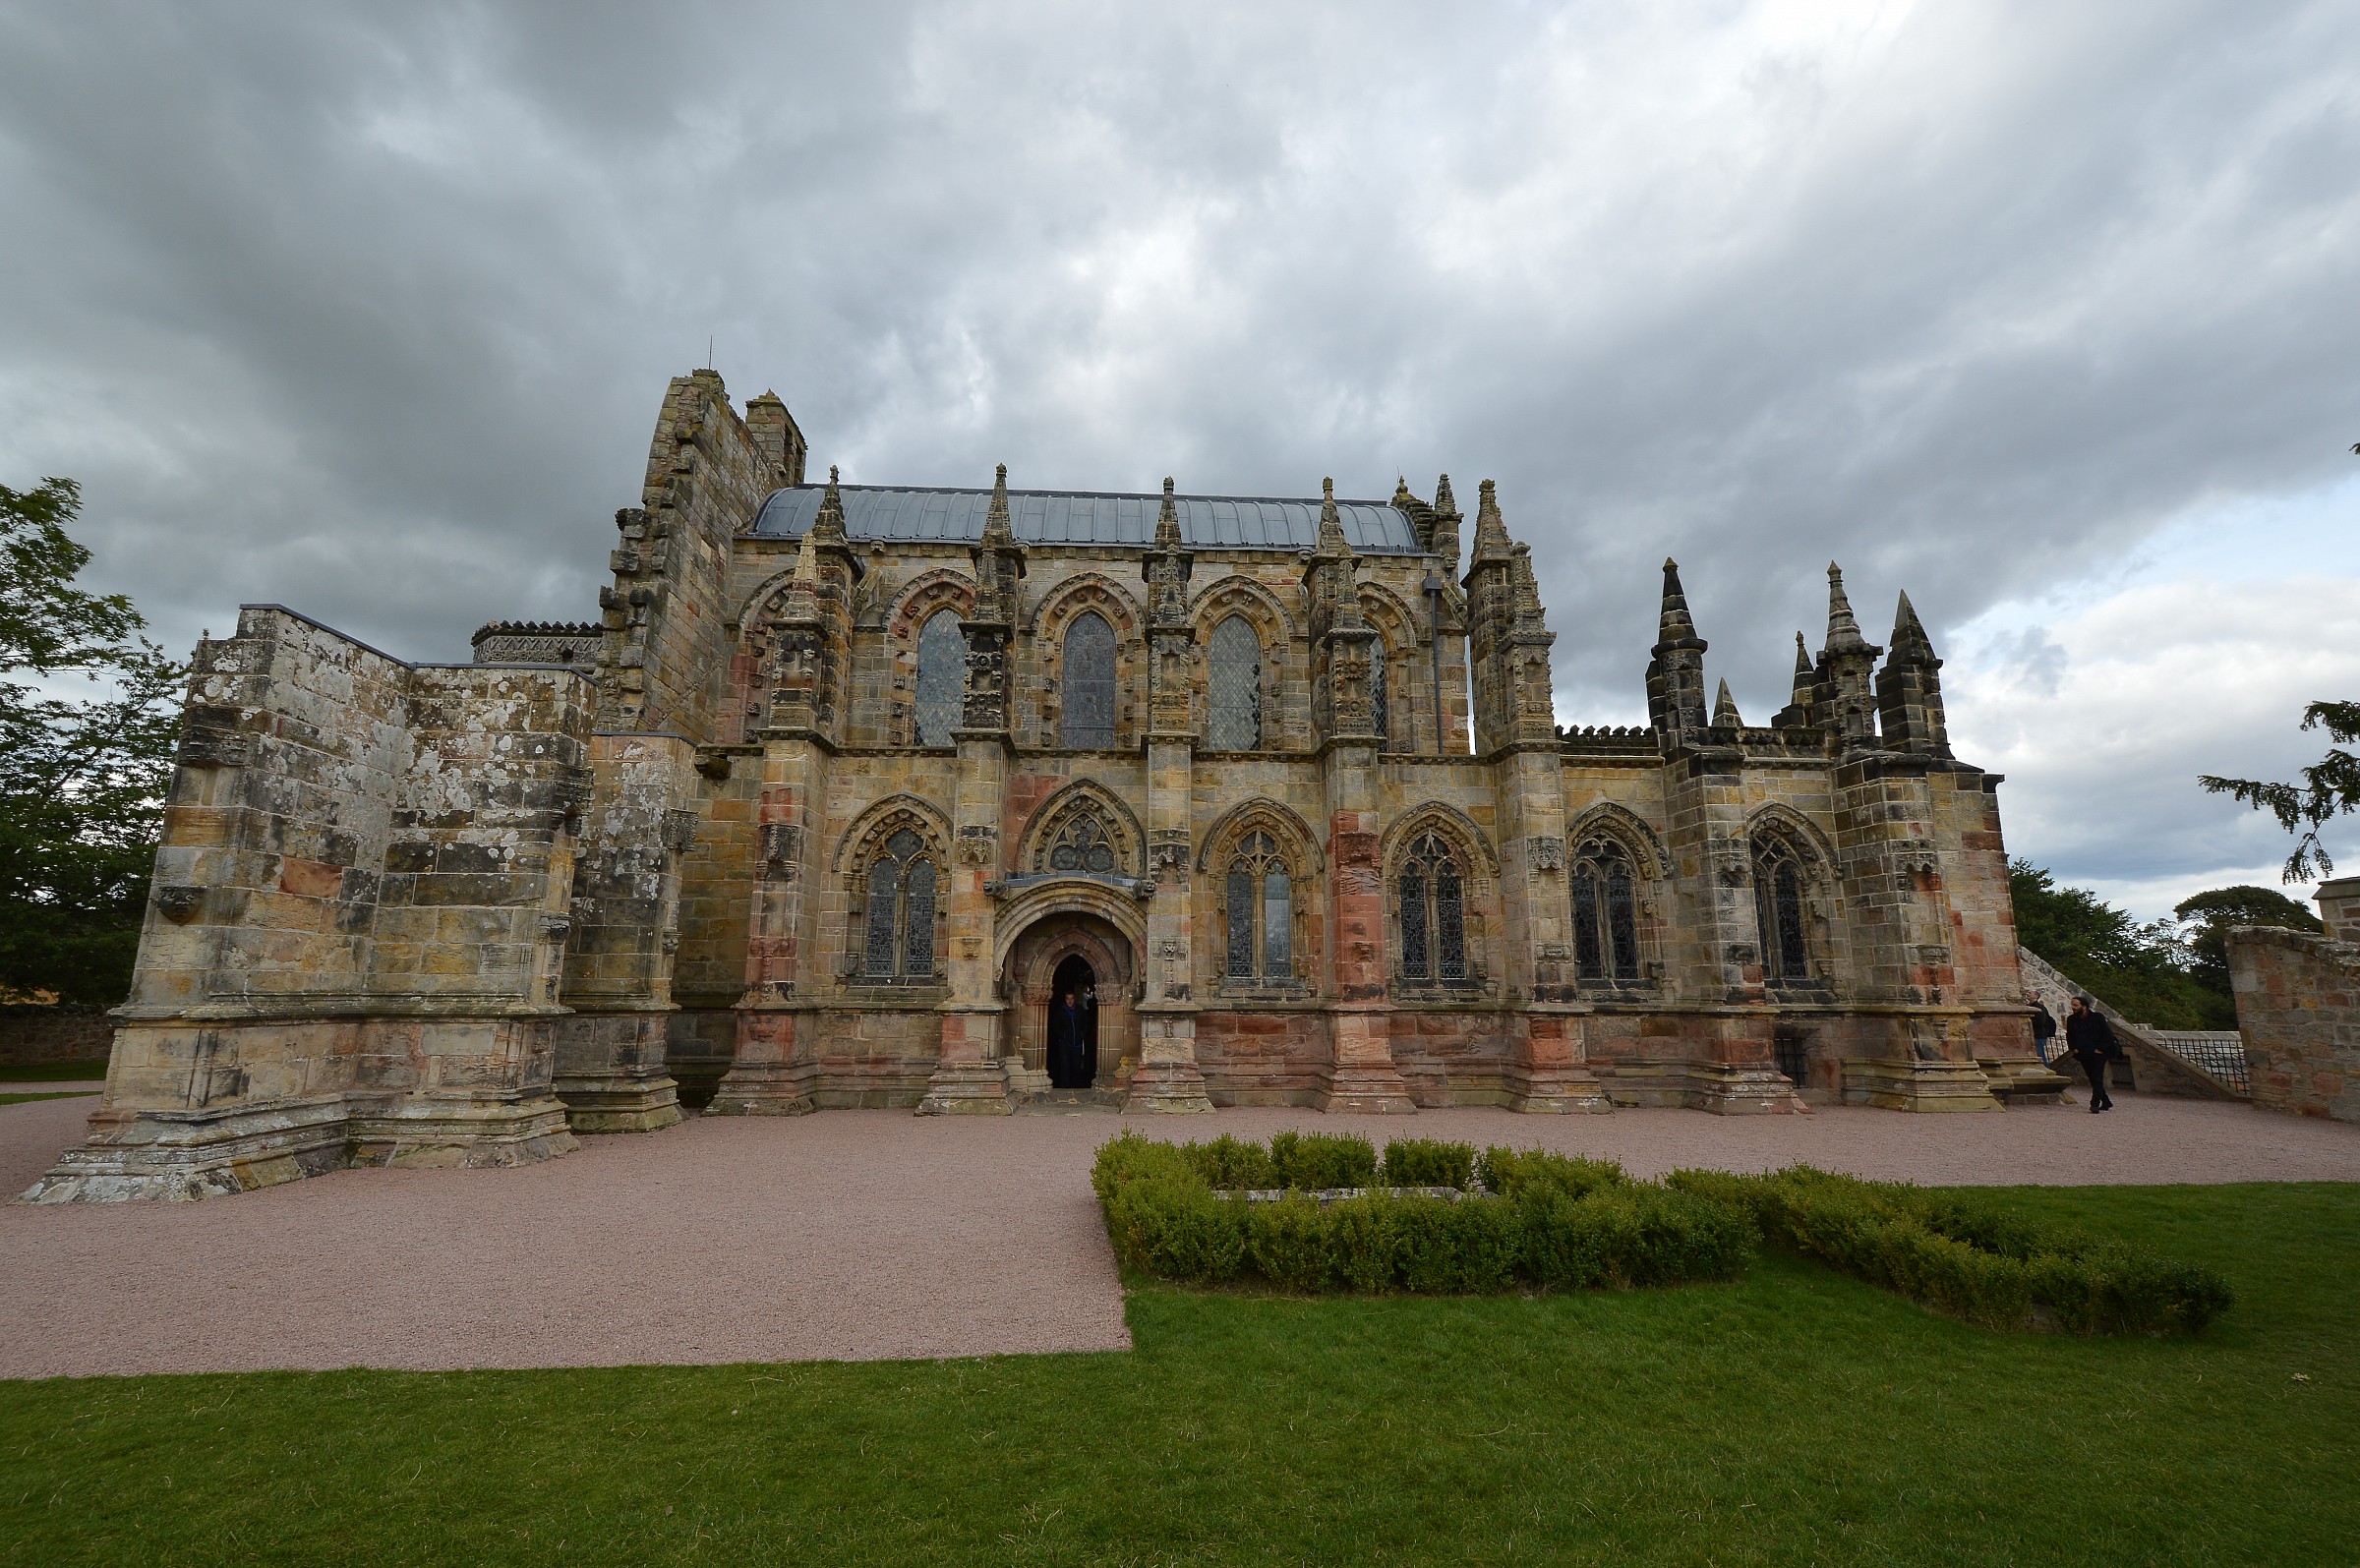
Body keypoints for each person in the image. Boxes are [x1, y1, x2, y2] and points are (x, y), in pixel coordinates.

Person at [2064, 995, 2116, 1113]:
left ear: (2085, 1006)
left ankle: (2095, 1103)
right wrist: (2074, 1048)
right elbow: (2070, 1035)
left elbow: (2107, 1034)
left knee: (2097, 1078)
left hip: (2097, 1053)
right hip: (2083, 1053)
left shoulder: (2097, 1018)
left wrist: (2100, 1049)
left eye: (2076, 1005)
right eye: (2072, 1005)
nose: (2073, 1008)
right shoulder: (2072, 1020)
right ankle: (2106, 1101)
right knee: (2093, 1078)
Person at [1047, 987, 1089, 1089]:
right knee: (1065, 1065)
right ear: (1065, 999)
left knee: (1076, 1066)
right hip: (1064, 1043)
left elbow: (1086, 1024)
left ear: (1074, 999)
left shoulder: (1080, 1010)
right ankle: (1064, 1087)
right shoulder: (1060, 1011)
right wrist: (1063, 1036)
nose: (1070, 1001)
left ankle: (1075, 1086)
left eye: (1071, 998)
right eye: (1067, 998)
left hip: (1077, 1043)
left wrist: (1082, 1034)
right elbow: (1055, 1026)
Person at [2029, 995, 2058, 1066]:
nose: (2028, 994)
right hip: (2033, 1034)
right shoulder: (2029, 1006)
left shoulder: (2040, 1007)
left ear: (2035, 996)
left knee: (2040, 1054)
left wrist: (2029, 1022)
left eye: (2030, 993)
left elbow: (2041, 1021)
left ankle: (2046, 1069)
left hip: (2039, 1034)